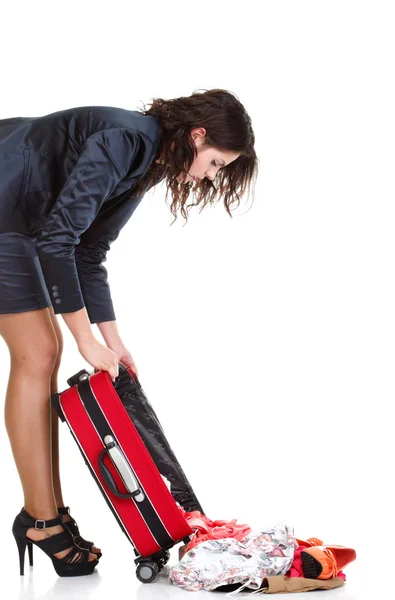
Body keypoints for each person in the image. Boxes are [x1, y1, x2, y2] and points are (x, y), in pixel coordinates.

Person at [0, 88, 258, 577]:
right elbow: (60, 240)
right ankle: (41, 520)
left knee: (43, 352)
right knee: (38, 351)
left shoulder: (148, 161)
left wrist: (112, 341)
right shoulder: (126, 140)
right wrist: (85, 340)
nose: (211, 175)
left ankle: (48, 511)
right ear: (197, 135)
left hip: (18, 213)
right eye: (217, 162)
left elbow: (89, 250)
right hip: (4, 205)